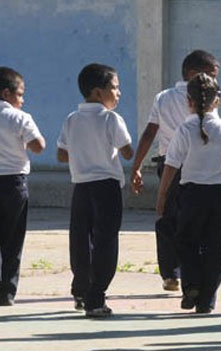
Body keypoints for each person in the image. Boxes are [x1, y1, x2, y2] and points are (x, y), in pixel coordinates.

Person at [156, 73, 221, 314]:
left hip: (192, 195)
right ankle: (207, 300)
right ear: (218, 100)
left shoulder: (185, 129)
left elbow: (171, 164)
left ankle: (192, 284)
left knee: (186, 241)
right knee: (217, 247)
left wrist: (162, 197)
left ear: (188, 101)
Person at [130, 50, 220, 292]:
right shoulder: (207, 96)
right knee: (196, 219)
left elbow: (150, 132)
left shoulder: (163, 97)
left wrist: (136, 166)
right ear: (193, 74)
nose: (215, 81)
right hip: (199, 166)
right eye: (212, 74)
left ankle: (171, 273)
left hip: (169, 165)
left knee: (168, 217)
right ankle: (193, 272)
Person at [56, 63, 134, 317]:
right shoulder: (111, 118)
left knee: (80, 239)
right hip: (107, 186)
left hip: (81, 186)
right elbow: (127, 151)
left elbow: (61, 154)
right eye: (115, 87)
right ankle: (96, 297)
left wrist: (82, 153)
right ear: (99, 92)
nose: (118, 93)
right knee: (105, 241)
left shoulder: (71, 118)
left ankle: (80, 289)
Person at [0, 67, 45, 306]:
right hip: (13, 183)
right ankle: (6, 293)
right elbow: (38, 146)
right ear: (7, 93)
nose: (23, 99)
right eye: (20, 94)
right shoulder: (20, 118)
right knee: (12, 240)